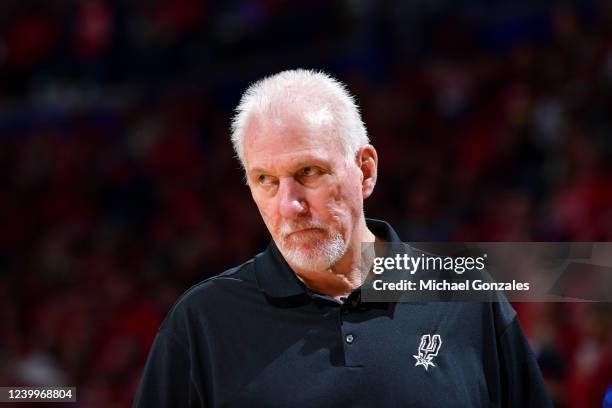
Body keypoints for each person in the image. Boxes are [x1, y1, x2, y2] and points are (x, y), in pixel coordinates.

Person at [133, 69, 552, 407]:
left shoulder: (467, 298)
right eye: (265, 180)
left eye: (308, 173)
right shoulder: (201, 322)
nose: (289, 205)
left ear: (365, 170)